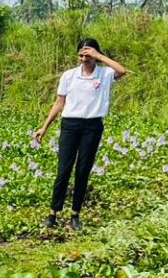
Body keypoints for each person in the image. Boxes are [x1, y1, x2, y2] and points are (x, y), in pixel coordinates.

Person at [33, 38, 129, 231]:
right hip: (70, 125)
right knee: (63, 170)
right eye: (81, 55)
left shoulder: (104, 73)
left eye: (88, 55)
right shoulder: (69, 76)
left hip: (92, 126)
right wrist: (44, 127)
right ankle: (53, 213)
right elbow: (59, 103)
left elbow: (122, 71)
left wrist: (99, 56)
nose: (85, 58)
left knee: (83, 170)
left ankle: (75, 215)